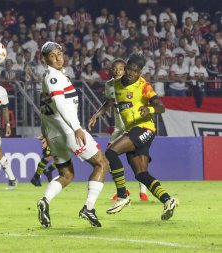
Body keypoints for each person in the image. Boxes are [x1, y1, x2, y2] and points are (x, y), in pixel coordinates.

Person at [36, 42, 109, 228]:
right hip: (69, 131)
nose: (58, 58)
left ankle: (45, 200)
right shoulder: (53, 77)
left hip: (54, 135)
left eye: (59, 54)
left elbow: (45, 110)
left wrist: (45, 134)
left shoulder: (54, 76)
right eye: (52, 56)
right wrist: (77, 127)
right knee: (101, 163)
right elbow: (59, 104)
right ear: (45, 59)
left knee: (66, 174)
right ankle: (89, 208)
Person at [101, 54, 178, 220]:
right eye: (129, 69)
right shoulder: (115, 84)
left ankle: (122, 196)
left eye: (135, 71)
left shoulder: (143, 85)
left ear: (139, 73)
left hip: (144, 128)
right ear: (126, 67)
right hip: (134, 130)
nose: (131, 73)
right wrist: (97, 114)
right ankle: (168, 200)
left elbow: (161, 107)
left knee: (111, 153)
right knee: (141, 174)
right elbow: (108, 101)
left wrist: (149, 110)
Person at [88, 58, 149, 202]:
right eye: (114, 69)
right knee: (108, 157)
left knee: (138, 159)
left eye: (120, 69)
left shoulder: (135, 83)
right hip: (119, 127)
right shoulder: (109, 85)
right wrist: (96, 115)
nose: (117, 71)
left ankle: (143, 191)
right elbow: (109, 103)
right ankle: (123, 190)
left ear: (125, 69)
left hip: (134, 125)